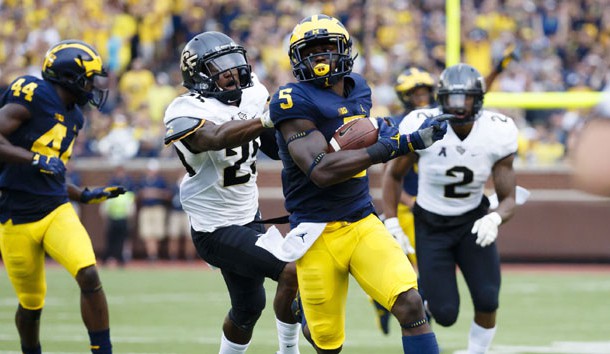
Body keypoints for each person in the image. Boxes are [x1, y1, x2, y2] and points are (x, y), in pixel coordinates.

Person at [264, 14, 449, 354]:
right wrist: (396, 144)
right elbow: (320, 169)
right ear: (296, 58)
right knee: (327, 343)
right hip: (316, 231)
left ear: (345, 51)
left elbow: (356, 133)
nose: (320, 57)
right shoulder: (291, 99)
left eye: (327, 48)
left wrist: (384, 129)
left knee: (411, 304)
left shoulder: (359, 88)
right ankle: (303, 314)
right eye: (311, 50)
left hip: (362, 220)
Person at [163, 31, 300, 354]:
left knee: (248, 307)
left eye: (234, 62)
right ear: (197, 74)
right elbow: (215, 137)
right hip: (214, 229)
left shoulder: (253, 93)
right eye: (219, 66)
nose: (231, 71)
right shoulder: (183, 109)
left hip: (248, 216)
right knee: (291, 271)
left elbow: (275, 147)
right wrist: (267, 119)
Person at [381, 63, 519, 354]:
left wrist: (494, 218)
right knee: (444, 314)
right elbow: (393, 175)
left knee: (488, 298)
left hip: (472, 220)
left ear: (478, 98)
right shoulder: (422, 123)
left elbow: (508, 198)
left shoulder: (497, 131)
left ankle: (476, 352)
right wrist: (392, 221)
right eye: (452, 98)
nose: (458, 106)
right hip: (431, 224)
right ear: (441, 97)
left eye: (465, 98)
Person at [0, 40, 125, 354]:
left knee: (89, 273)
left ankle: (103, 350)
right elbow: (33, 157)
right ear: (70, 77)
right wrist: (34, 159)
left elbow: (53, 171)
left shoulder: (75, 117)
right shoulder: (33, 93)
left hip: (56, 208)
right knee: (31, 305)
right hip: (15, 214)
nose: (94, 86)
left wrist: (81, 194)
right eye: (89, 77)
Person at [372, 66, 437, 335]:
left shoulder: (439, 119)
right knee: (404, 272)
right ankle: (380, 301)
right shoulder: (398, 124)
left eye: (424, 92)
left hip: (430, 207)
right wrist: (410, 201)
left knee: (430, 273)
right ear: (404, 95)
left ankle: (424, 326)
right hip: (404, 207)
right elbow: (387, 174)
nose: (421, 97)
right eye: (415, 93)